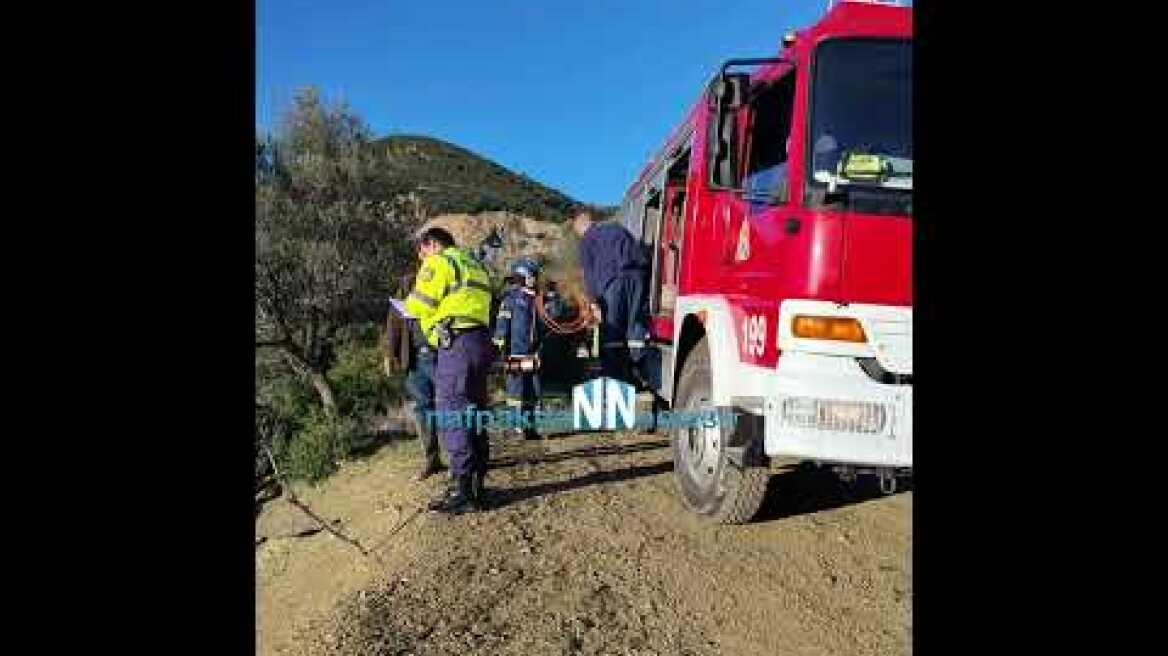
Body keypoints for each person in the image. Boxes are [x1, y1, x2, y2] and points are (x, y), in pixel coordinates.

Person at [404, 227, 496, 514]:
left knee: (453, 413)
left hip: (456, 345)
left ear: (430, 245)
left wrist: (410, 305)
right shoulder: (475, 265)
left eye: (421, 253)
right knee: (475, 410)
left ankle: (463, 491)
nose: (421, 260)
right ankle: (476, 482)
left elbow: (417, 306)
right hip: (480, 340)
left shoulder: (439, 262)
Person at [572, 210, 650, 383]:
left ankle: (615, 376)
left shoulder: (587, 240)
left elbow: (589, 274)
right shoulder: (617, 227)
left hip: (613, 282)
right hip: (637, 277)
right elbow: (637, 250)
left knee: (613, 330)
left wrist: (593, 302)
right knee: (633, 326)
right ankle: (638, 370)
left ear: (581, 226)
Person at [492, 257, 545, 440]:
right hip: (515, 353)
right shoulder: (511, 299)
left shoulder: (537, 299)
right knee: (516, 391)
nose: (535, 279)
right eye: (532, 275)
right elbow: (502, 322)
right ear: (522, 276)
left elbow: (544, 325)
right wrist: (499, 342)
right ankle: (516, 427)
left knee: (533, 390)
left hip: (533, 353)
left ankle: (531, 428)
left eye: (536, 276)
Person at [403, 316, 444, 480]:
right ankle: (432, 460)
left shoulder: (441, 289)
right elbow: (394, 320)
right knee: (422, 410)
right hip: (413, 358)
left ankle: (462, 464)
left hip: (440, 353)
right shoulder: (402, 293)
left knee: (450, 405)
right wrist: (390, 353)